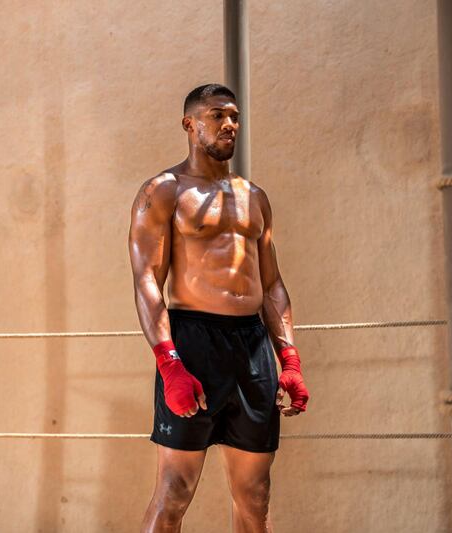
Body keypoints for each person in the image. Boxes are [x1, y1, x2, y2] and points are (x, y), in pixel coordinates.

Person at [128, 84, 310, 533]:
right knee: (174, 492)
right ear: (190, 124)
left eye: (234, 116)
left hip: (251, 346)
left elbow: (271, 285)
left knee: (256, 497)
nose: (229, 124)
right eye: (216, 116)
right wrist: (169, 364)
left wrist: (289, 359)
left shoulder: (254, 197)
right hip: (193, 342)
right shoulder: (164, 191)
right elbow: (148, 278)